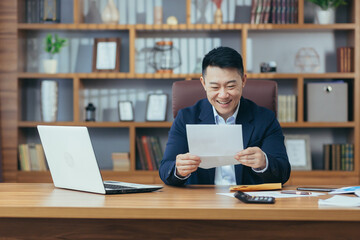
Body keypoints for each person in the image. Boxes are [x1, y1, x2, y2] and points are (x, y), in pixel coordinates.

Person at [159, 46, 291, 186]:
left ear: (243, 80)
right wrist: (179, 170)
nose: (223, 95)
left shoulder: (265, 119)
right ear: (203, 83)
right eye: (215, 87)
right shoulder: (186, 118)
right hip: (202, 200)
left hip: (246, 201)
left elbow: (283, 172)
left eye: (230, 86)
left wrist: (264, 162)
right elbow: (165, 169)